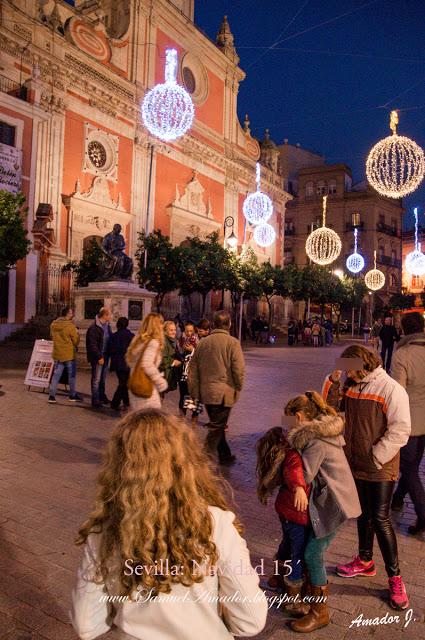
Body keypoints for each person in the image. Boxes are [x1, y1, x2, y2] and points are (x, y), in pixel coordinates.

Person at [70, 410, 267, 640]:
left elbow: (86, 625)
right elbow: (250, 621)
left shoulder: (105, 532)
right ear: (184, 462)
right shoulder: (215, 524)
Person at [323, 345, 411, 610]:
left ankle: (395, 577)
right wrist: (334, 378)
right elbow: (328, 405)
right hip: (356, 462)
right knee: (363, 514)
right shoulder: (353, 385)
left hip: (379, 465)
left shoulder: (390, 388)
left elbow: (401, 429)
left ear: (364, 364)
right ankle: (364, 561)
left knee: (380, 518)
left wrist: (376, 456)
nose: (350, 374)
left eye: (351, 369)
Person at [284, 391, 361, 632]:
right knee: (310, 550)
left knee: (313, 554)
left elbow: (305, 476)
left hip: (334, 506)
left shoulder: (315, 442)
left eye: (289, 420)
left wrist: (291, 452)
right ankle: (310, 596)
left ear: (298, 417)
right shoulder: (327, 432)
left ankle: (320, 612)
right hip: (341, 500)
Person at [256, 426, 311, 616]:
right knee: (298, 552)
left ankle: (277, 578)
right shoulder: (293, 453)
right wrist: (299, 488)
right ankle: (292, 600)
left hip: (286, 510)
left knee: (287, 544)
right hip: (297, 513)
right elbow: (294, 470)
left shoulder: (285, 452)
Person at [188, 310, 245, 466]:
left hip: (207, 393)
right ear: (229, 324)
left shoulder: (202, 343)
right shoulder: (233, 343)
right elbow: (238, 369)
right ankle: (202, 458)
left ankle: (225, 455)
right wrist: (238, 386)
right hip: (224, 393)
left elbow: (193, 370)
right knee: (217, 426)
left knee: (217, 424)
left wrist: (194, 391)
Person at [391, 312, 425, 534]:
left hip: (412, 422)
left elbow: (398, 393)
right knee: (412, 464)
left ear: (403, 329)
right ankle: (397, 498)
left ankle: (423, 515)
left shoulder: (402, 354)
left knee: (409, 467)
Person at [126, 313, 167, 410]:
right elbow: (147, 364)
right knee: (151, 419)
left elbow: (131, 362)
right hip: (146, 387)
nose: (162, 326)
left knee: (139, 418)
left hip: (135, 385)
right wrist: (160, 382)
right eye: (161, 324)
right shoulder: (153, 343)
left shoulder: (139, 341)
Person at [48, 306, 82, 404]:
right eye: (71, 313)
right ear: (67, 314)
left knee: (56, 375)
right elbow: (75, 341)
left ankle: (51, 396)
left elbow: (51, 336)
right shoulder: (70, 326)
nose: (72, 315)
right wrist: (77, 333)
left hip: (58, 353)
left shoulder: (53, 324)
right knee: (71, 376)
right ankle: (72, 395)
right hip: (69, 355)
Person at [86, 307, 112, 409]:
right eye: (109, 315)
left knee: (103, 378)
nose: (110, 317)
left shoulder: (107, 326)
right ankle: (95, 400)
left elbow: (110, 338)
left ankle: (102, 396)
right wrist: (99, 356)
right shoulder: (94, 327)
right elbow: (92, 345)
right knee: (96, 378)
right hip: (98, 357)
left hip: (105, 355)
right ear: (104, 315)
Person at [108, 317, 134, 412]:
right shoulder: (131, 336)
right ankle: (116, 403)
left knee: (123, 383)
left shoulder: (114, 336)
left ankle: (125, 402)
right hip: (127, 363)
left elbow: (111, 349)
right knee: (124, 384)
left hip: (118, 363)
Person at [178, 322, 199, 415]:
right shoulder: (181, 339)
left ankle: (194, 417)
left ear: (194, 331)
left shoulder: (197, 340)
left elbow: (202, 355)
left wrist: (193, 350)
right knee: (183, 394)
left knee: (194, 396)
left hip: (194, 373)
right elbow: (178, 353)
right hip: (183, 372)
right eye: (187, 331)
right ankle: (182, 416)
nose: (189, 333)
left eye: (191, 331)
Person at [160, 320, 182, 393]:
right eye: (171, 330)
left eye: (175, 330)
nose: (174, 332)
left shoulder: (172, 341)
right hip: (163, 376)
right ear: (165, 331)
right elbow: (162, 360)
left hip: (167, 375)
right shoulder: (164, 342)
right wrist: (173, 362)